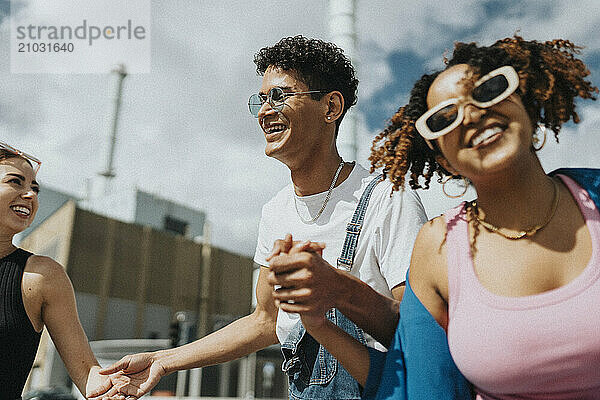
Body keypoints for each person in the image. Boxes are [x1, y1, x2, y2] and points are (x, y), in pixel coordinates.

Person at [98, 35, 427, 399]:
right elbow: (265, 321)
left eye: (280, 96)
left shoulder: (388, 199)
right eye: (261, 99)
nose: (264, 111)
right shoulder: (275, 212)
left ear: (331, 107)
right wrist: (163, 360)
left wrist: (336, 288)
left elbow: (416, 334)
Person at [276, 35, 600, 399]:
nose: (473, 114)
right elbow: (416, 380)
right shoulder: (438, 247)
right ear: (443, 158)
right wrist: (319, 323)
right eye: (445, 118)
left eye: (489, 90)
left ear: (524, 102)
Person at [0, 142, 133, 399]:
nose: (31, 195)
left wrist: (113, 384)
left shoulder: (40, 276)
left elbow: (88, 373)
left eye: (34, 188)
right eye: (16, 182)